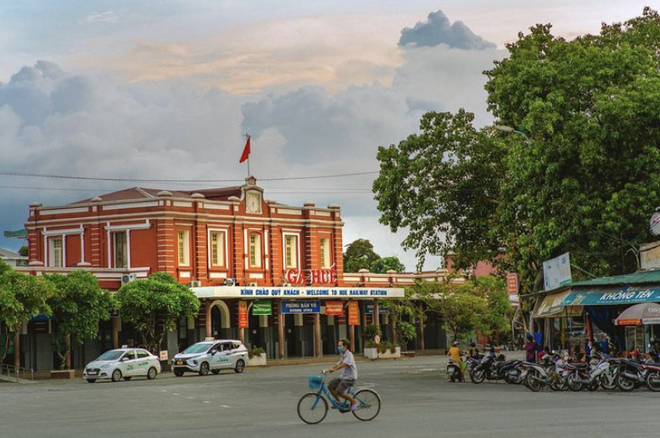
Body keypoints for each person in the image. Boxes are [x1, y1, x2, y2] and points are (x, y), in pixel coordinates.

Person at [323, 339, 359, 411]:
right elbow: (338, 364)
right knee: (330, 386)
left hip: (350, 378)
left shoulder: (349, 355)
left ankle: (354, 402)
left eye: (340, 346)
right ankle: (339, 402)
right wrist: (328, 369)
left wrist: (334, 370)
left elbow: (343, 364)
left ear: (345, 346)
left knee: (339, 392)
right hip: (344, 377)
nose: (338, 347)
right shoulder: (344, 355)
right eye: (338, 346)